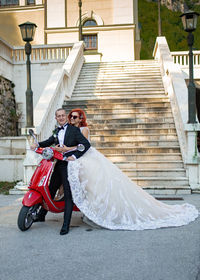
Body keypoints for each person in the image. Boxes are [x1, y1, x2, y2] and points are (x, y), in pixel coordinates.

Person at [65, 108, 198, 231]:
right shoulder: (71, 130)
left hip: (87, 158)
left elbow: (82, 146)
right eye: (70, 116)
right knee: (90, 187)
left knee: (96, 186)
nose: (72, 119)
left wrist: (65, 149)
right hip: (79, 158)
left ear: (81, 118)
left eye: (75, 117)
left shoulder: (84, 130)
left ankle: (101, 212)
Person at [31, 108, 90, 235]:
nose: (61, 118)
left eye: (63, 115)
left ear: (65, 117)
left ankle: (66, 225)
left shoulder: (74, 130)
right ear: (56, 118)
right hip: (58, 164)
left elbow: (85, 145)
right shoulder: (57, 130)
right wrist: (37, 145)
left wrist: (73, 156)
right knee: (51, 188)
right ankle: (41, 215)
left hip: (68, 164)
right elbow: (49, 141)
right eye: (59, 116)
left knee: (68, 194)